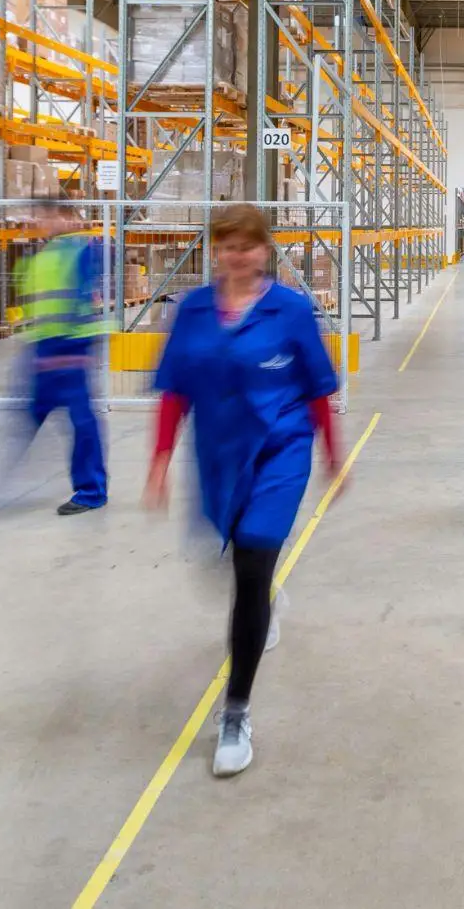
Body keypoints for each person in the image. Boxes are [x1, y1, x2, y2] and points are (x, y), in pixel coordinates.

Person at [145, 203, 342, 777]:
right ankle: (268, 597)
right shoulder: (194, 311)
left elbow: (317, 388)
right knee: (225, 562)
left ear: (265, 251)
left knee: (252, 565)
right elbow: (175, 389)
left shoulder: (291, 310)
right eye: (226, 245)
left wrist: (332, 453)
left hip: (280, 453)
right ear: (215, 251)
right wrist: (159, 459)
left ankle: (236, 711)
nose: (237, 255)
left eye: (247, 245)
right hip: (218, 457)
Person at [9, 199, 108, 514]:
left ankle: (91, 491)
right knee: (31, 416)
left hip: (70, 349)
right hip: (44, 347)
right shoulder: (43, 256)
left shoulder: (79, 250)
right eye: (40, 217)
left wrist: (75, 349)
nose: (43, 222)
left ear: (66, 218)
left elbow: (84, 299)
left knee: (81, 420)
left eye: (49, 216)